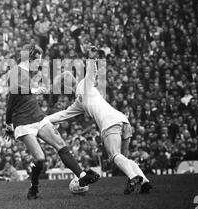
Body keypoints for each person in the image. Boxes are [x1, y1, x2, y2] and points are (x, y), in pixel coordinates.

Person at [47, 47, 152, 194]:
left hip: (110, 123)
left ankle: (133, 176)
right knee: (123, 158)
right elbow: (63, 114)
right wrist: (44, 120)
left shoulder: (84, 86)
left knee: (115, 155)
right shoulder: (80, 100)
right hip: (123, 120)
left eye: (63, 87)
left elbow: (91, 74)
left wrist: (91, 58)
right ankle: (145, 181)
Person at [4, 44, 100, 200]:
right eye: (37, 60)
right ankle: (34, 187)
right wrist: (34, 91)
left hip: (38, 117)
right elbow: (14, 90)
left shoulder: (26, 73)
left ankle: (82, 175)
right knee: (40, 158)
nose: (38, 63)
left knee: (61, 145)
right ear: (30, 58)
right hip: (23, 123)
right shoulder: (16, 71)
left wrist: (8, 123)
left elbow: (11, 100)